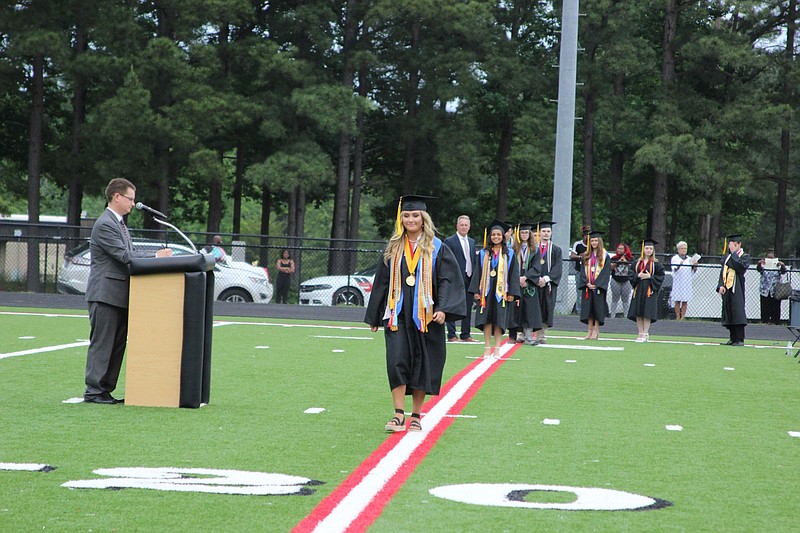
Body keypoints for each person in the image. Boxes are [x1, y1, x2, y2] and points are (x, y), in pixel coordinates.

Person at [364, 195, 465, 433]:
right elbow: (381, 281)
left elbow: (447, 280)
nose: (411, 219)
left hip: (427, 315)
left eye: (415, 215)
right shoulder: (393, 247)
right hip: (397, 313)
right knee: (397, 360)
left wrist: (442, 308)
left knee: (423, 364)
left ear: (424, 219)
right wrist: (375, 316)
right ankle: (399, 414)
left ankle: (416, 415)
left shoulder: (438, 247)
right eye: (406, 215)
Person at [84, 178, 172, 404]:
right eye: (130, 199)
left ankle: (105, 390)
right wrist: (155, 257)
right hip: (105, 294)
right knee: (103, 343)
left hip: (119, 294)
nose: (133, 203)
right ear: (117, 197)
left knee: (117, 344)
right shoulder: (105, 224)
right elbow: (124, 256)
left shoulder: (119, 223)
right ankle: (94, 390)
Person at [469, 219, 520, 358]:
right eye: (493, 235)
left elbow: (514, 274)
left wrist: (512, 293)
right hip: (485, 292)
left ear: (503, 236)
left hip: (502, 293)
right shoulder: (483, 254)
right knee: (486, 320)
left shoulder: (509, 254)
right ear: (490, 236)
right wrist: (476, 291)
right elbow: (477, 272)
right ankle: (487, 348)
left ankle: (497, 348)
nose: (496, 237)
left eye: (498, 234)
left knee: (499, 320)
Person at [525, 221, 563, 344]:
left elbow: (558, 267)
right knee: (530, 308)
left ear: (551, 233)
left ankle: (541, 335)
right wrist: (535, 279)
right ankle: (525, 333)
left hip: (548, 285)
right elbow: (528, 265)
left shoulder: (556, 250)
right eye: (543, 231)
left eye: (548, 231)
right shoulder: (532, 249)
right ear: (539, 233)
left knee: (546, 309)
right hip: (533, 284)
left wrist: (546, 279)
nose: (546, 234)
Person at [443, 215, 477, 342]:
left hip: (469, 278)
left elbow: (472, 260)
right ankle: (452, 334)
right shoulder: (450, 241)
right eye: (461, 225)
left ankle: (465, 334)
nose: (464, 227)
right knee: (452, 305)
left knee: (467, 306)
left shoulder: (472, 242)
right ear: (457, 226)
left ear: (469, 226)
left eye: (466, 225)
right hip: (455, 278)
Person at [627, 239, 666, 342]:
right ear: (643, 249)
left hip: (650, 290)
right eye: (647, 248)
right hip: (638, 290)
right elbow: (630, 274)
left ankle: (645, 333)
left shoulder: (656, 264)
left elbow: (661, 276)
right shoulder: (637, 263)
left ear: (653, 250)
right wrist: (638, 275)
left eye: (650, 248)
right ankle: (640, 333)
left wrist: (650, 277)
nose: (648, 250)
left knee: (647, 312)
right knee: (638, 312)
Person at [717, 234, 750, 346]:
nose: (731, 247)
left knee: (738, 312)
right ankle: (732, 338)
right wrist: (721, 285)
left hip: (737, 288)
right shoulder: (727, 257)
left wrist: (734, 254)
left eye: (734, 245)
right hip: (727, 288)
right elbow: (722, 272)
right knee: (729, 312)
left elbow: (740, 268)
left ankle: (740, 339)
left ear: (739, 245)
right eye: (731, 245)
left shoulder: (744, 256)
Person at [577, 230, 610, 340]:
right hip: (588, 287)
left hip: (598, 288)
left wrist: (596, 284)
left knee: (597, 309)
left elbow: (606, 272)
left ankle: (596, 330)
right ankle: (589, 330)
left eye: (596, 240)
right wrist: (586, 283)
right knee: (588, 309)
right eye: (592, 240)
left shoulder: (605, 256)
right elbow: (582, 271)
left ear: (599, 242)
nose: (594, 243)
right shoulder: (586, 255)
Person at [511, 223, 541, 345]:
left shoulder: (534, 250)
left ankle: (528, 335)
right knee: (516, 309)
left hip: (529, 285)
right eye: (522, 232)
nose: (524, 235)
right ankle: (517, 335)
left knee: (529, 310)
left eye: (526, 233)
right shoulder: (513, 250)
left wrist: (526, 277)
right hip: (515, 283)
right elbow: (510, 266)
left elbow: (536, 267)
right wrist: (517, 279)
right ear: (518, 234)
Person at [757, 248, 787, 325]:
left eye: (771, 258)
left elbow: (783, 272)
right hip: (765, 289)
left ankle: (775, 321)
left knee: (776, 306)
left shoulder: (778, 265)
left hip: (775, 289)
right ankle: (765, 321)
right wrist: (759, 264)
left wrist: (782, 265)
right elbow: (759, 270)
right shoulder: (763, 264)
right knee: (765, 306)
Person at [670, 241, 698, 320]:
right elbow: (674, 269)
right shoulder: (675, 258)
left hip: (686, 283)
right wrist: (680, 264)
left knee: (685, 300)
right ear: (678, 249)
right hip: (678, 282)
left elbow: (693, 271)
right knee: (677, 300)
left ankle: (683, 317)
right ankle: (677, 317)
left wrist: (695, 266)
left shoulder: (689, 259)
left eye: (685, 248)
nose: (684, 250)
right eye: (682, 248)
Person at [569, 225, 591, 315]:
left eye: (589, 235)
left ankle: (589, 310)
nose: (588, 237)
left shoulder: (593, 244)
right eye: (586, 235)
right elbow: (572, 255)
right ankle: (579, 310)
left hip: (591, 272)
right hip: (579, 271)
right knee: (579, 292)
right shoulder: (578, 244)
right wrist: (580, 256)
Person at [609, 243, 634, 318]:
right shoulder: (614, 258)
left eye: (621, 249)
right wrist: (618, 262)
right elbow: (610, 268)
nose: (619, 250)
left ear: (625, 250)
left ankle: (626, 316)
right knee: (615, 298)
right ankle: (612, 316)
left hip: (626, 280)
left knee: (625, 299)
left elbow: (633, 268)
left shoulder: (630, 258)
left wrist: (626, 261)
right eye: (618, 248)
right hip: (615, 280)